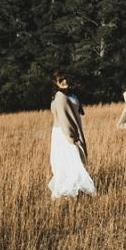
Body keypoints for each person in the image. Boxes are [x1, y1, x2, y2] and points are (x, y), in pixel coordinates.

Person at [48, 70, 96, 199]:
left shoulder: (69, 94)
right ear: (56, 83)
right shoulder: (60, 97)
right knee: (71, 160)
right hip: (64, 132)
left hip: (70, 129)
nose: (64, 82)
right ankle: (69, 191)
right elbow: (64, 118)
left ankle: (73, 190)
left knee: (73, 160)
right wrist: (69, 135)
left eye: (65, 79)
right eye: (61, 80)